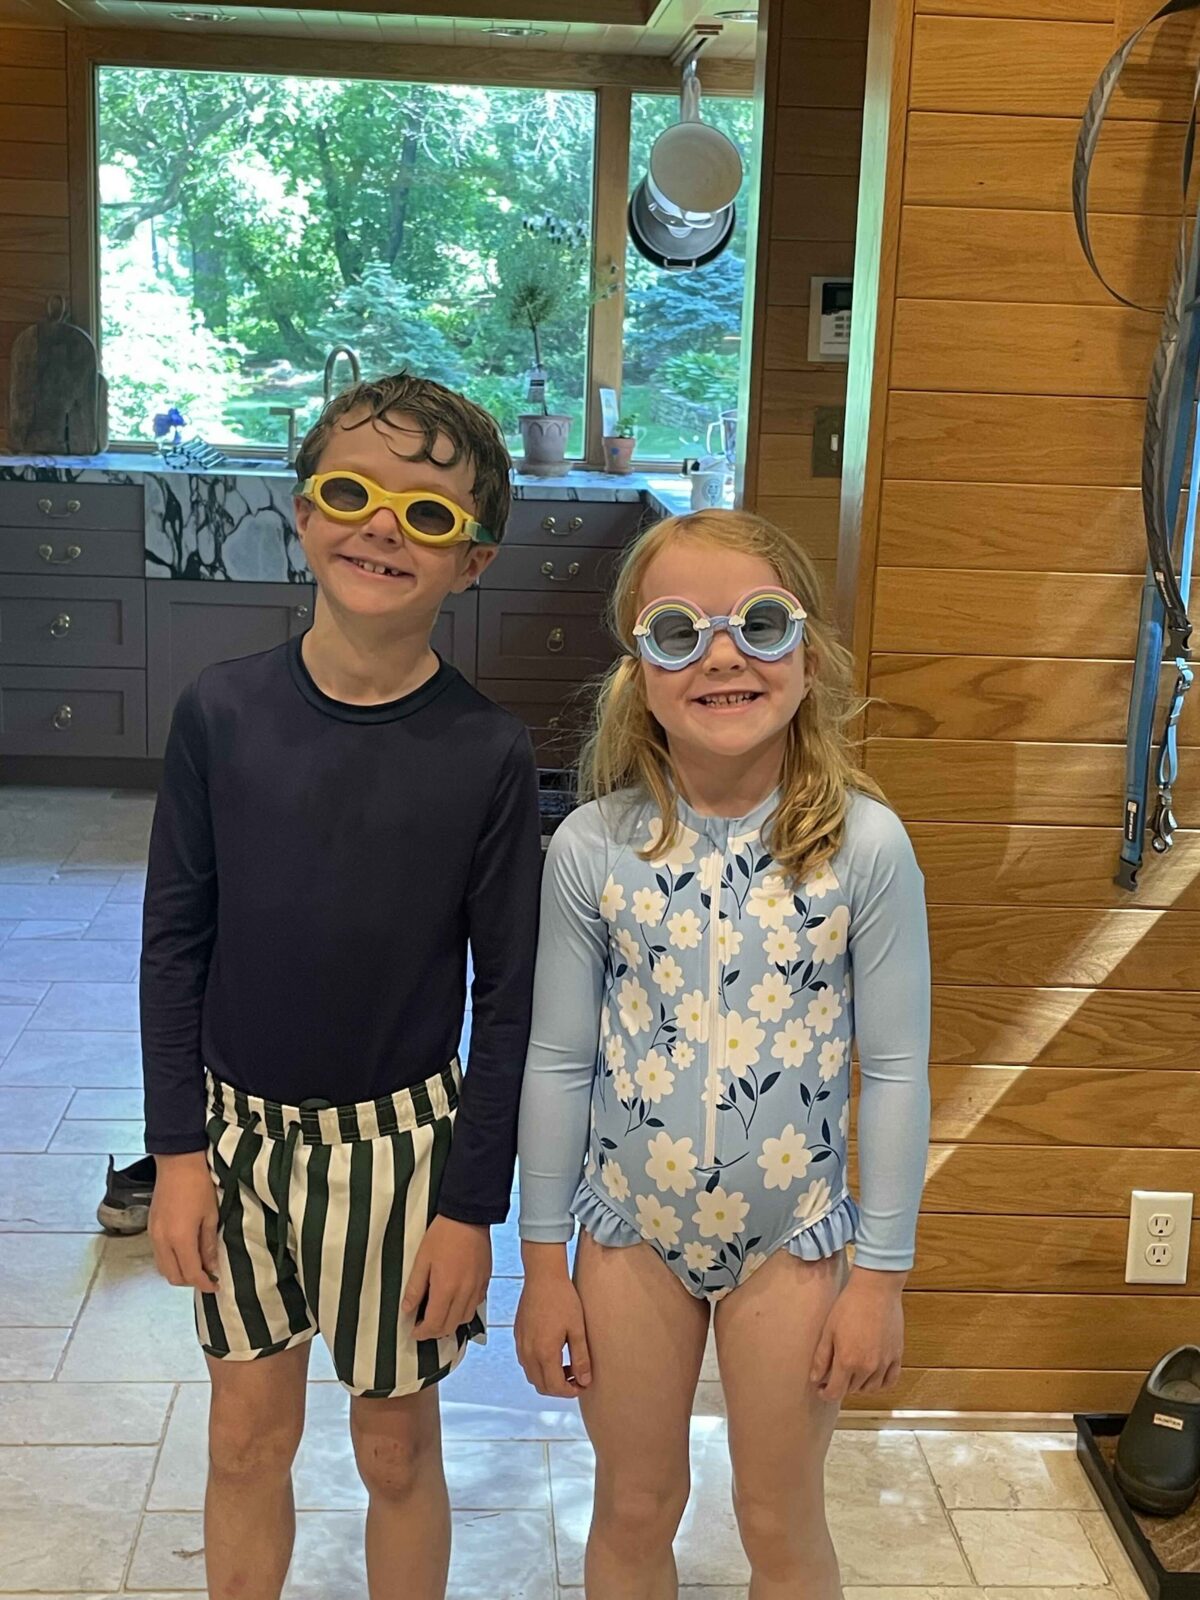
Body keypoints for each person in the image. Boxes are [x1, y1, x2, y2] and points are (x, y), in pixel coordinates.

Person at [140, 373, 541, 1600]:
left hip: (404, 1158)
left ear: (470, 562)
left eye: (429, 515)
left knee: (393, 1448)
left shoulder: (489, 752)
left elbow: (511, 997)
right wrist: (174, 1155)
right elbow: (173, 943)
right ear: (304, 513)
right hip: (240, 1141)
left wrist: (473, 1210)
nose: (384, 527)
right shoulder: (219, 713)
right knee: (245, 1437)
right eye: (355, 493)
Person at [515, 509, 930, 1600]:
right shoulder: (591, 847)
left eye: (757, 622)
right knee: (635, 1505)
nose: (722, 656)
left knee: (778, 1516)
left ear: (808, 652)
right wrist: (543, 1266)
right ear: (636, 669)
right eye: (676, 631)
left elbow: (892, 1072)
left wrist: (879, 1278)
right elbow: (558, 1062)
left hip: (790, 1237)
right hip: (625, 1230)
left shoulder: (866, 846)